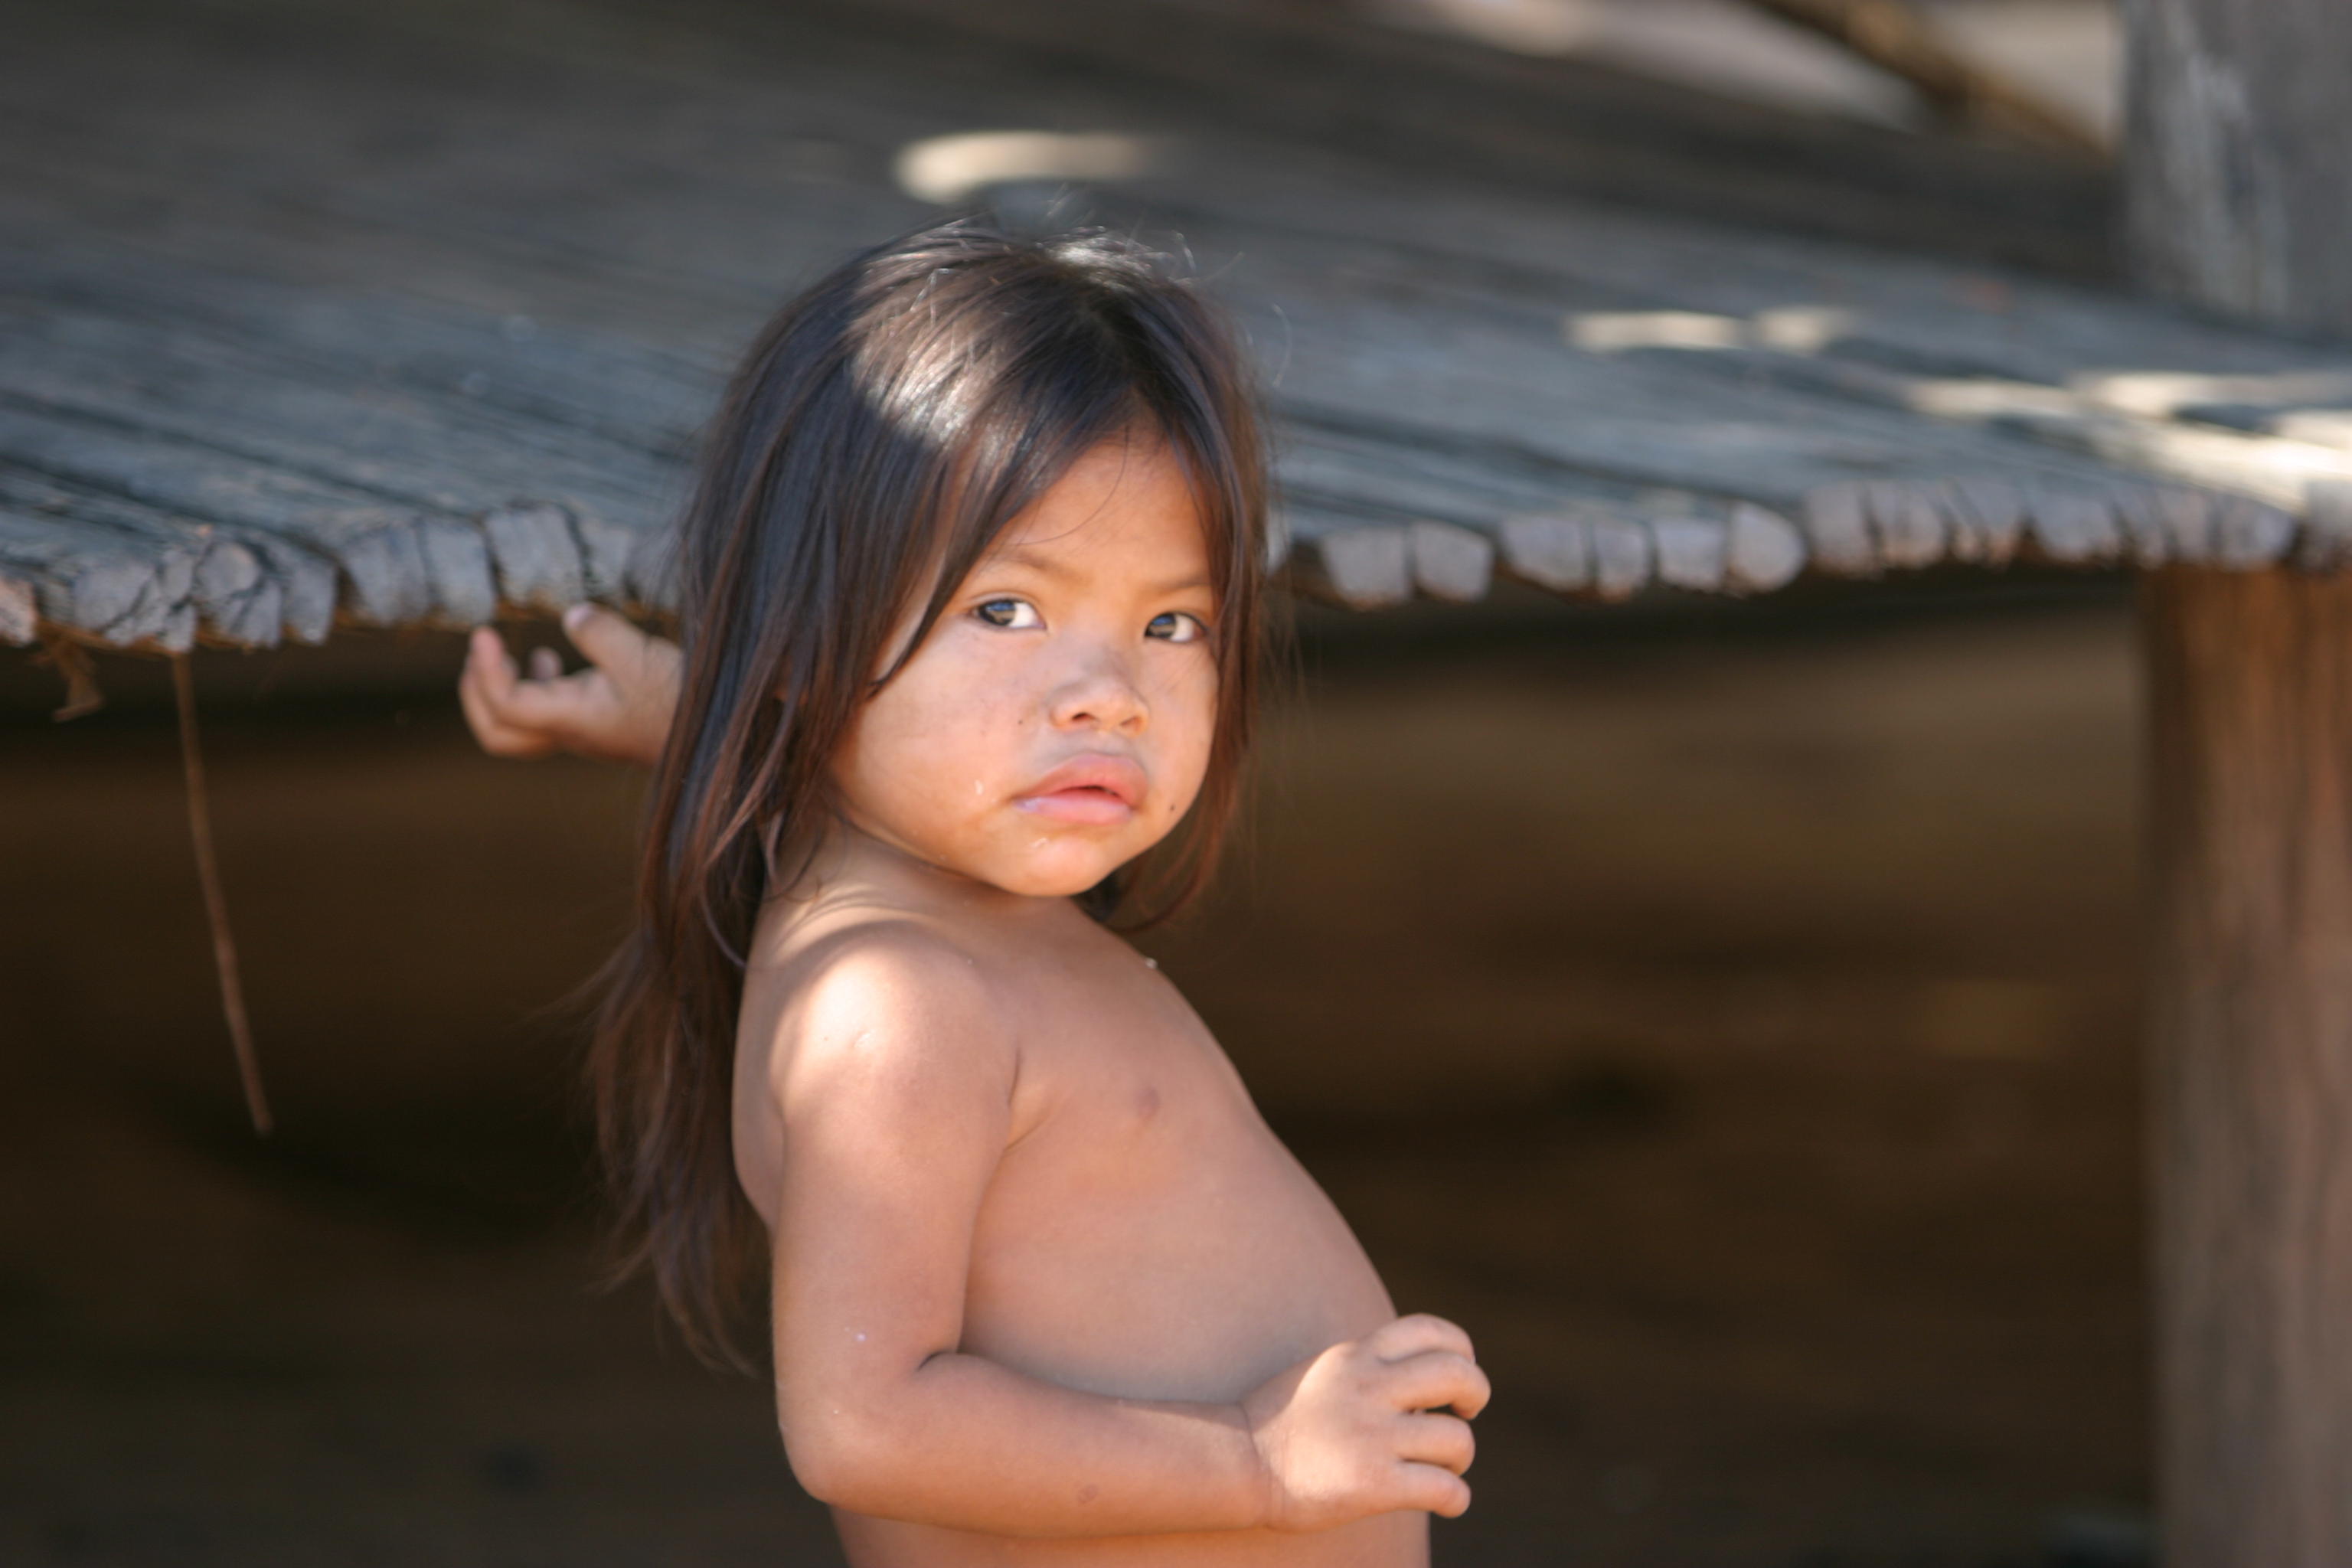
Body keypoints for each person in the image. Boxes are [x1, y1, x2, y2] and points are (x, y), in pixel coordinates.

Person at [457, 220, 1487, 1566]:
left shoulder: (874, 882)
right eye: (1007, 610)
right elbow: (863, 1425)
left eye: (1172, 624)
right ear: (797, 645)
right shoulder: (904, 1012)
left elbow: (832, 769)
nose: (1106, 694)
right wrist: (1262, 1460)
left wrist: (690, 721)